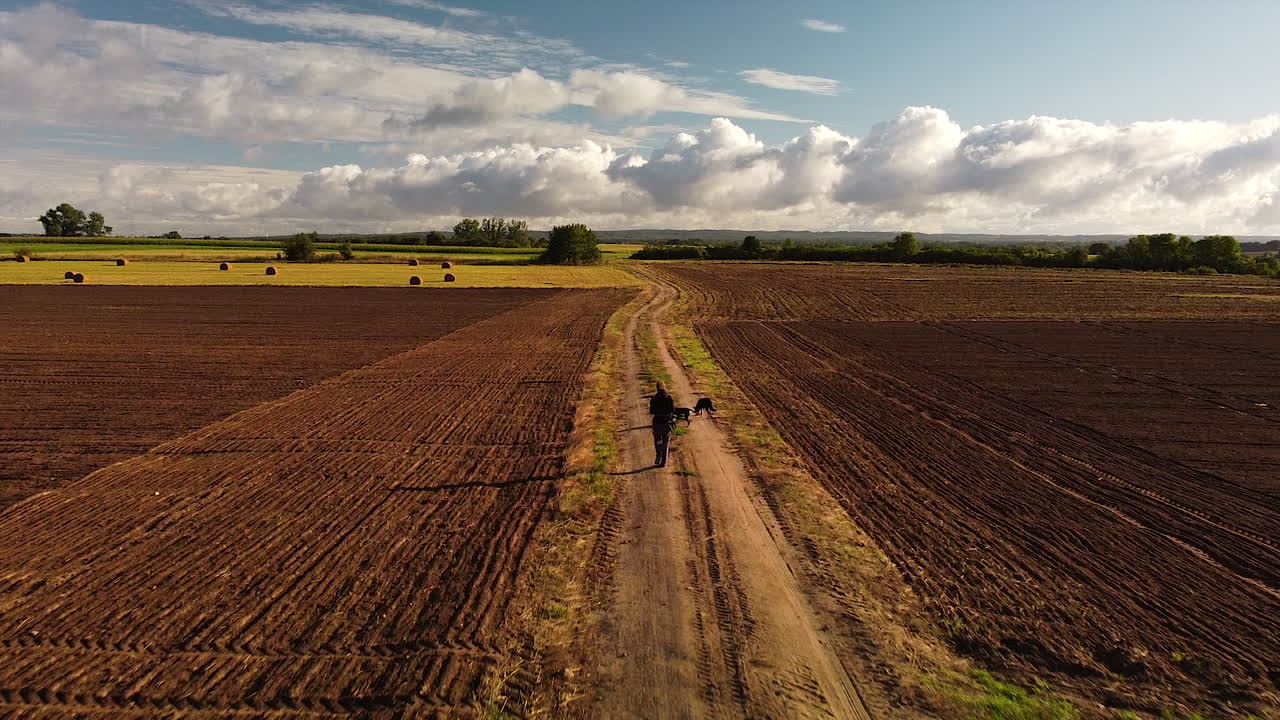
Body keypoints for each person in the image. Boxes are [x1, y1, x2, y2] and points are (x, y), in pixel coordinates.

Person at [648, 381, 676, 467]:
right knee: (666, 441)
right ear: (664, 387)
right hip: (666, 422)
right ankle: (663, 461)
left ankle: (658, 454)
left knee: (657, 440)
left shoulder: (654, 398)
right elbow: (673, 410)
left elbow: (651, 411)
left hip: (657, 421)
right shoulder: (669, 398)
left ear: (656, 388)